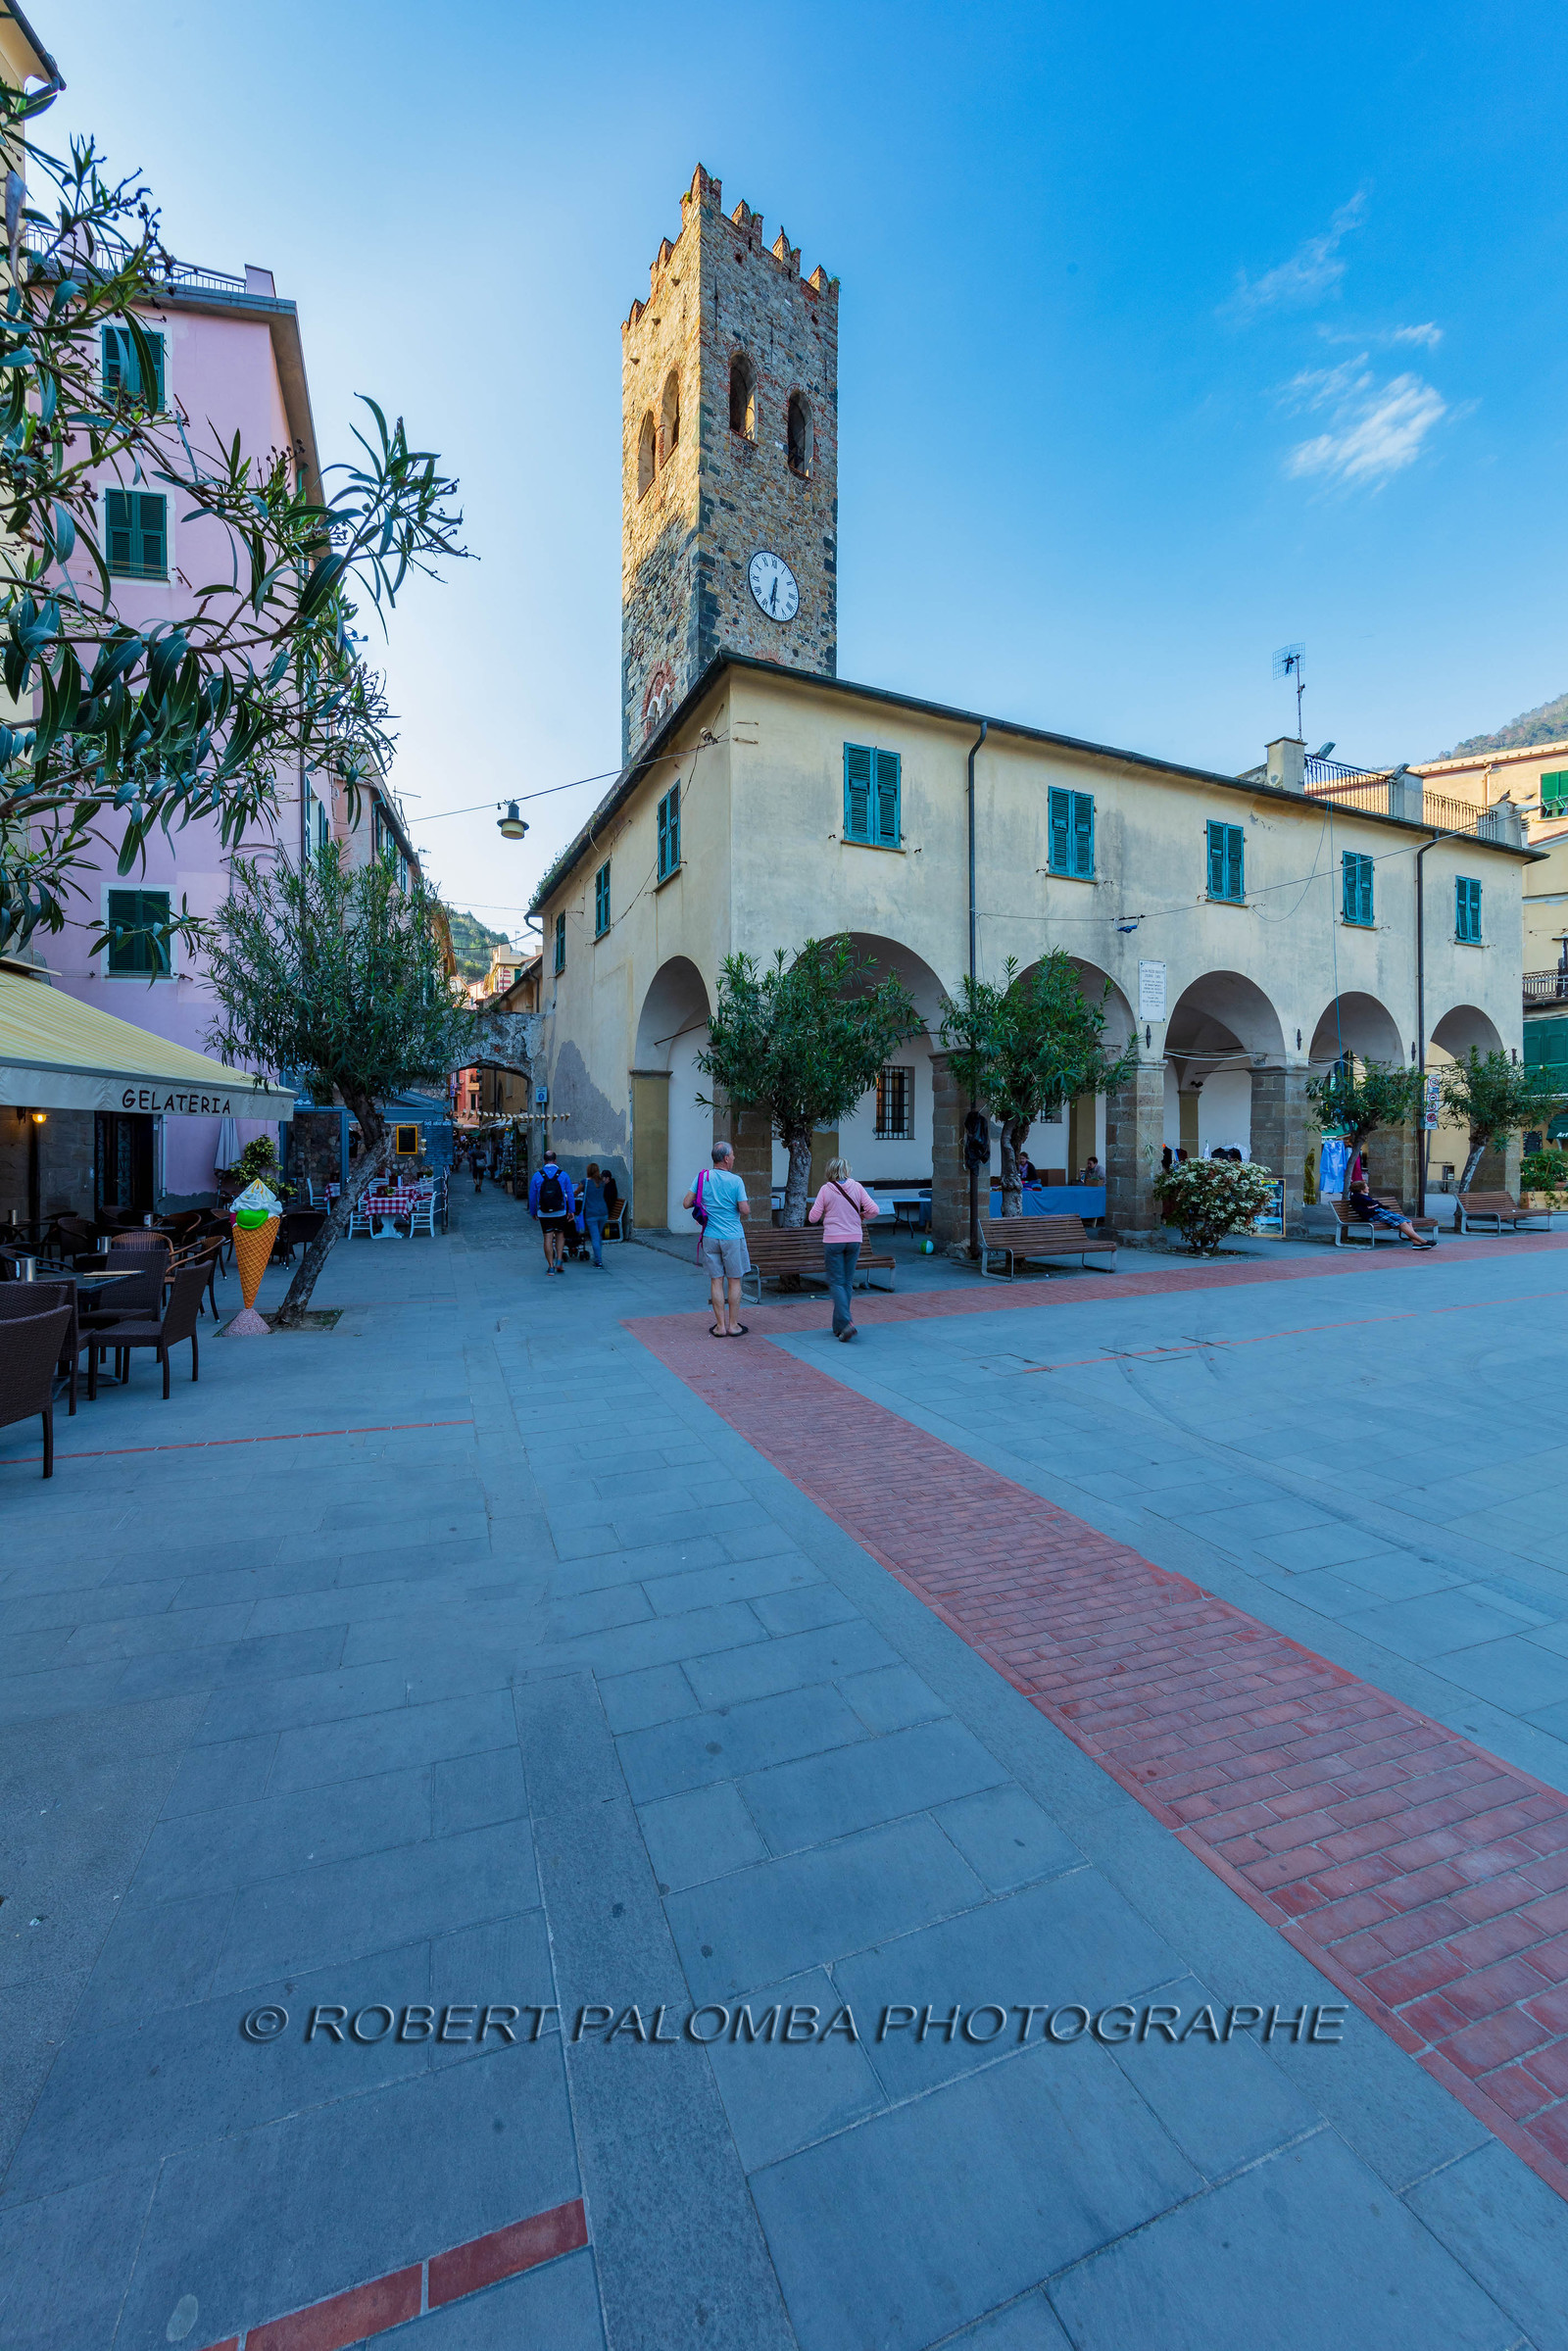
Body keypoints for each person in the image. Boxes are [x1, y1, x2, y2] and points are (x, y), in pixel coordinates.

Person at [808, 1154, 881, 1342]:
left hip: (833, 1241)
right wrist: (862, 1215)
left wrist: (826, 1210)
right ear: (846, 1170)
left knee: (836, 1283)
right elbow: (874, 1210)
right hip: (854, 1239)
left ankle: (846, 1323)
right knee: (847, 1282)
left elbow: (813, 1218)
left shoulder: (826, 1189)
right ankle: (839, 1326)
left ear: (830, 1172)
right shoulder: (857, 1187)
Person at [683, 1141, 751, 1336]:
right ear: (726, 1159)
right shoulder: (736, 1181)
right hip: (732, 1237)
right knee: (735, 1281)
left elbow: (687, 1203)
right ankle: (734, 1325)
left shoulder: (702, 1177)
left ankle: (720, 1327)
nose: (734, 1158)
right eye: (733, 1155)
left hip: (710, 1236)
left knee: (716, 1281)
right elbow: (744, 1209)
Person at [1348, 1176, 1436, 1248]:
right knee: (1402, 1222)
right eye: (1366, 1186)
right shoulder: (1357, 1197)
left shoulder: (1362, 1196)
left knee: (1408, 1221)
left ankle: (1416, 1243)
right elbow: (1371, 1204)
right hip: (1374, 1215)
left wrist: (1374, 1204)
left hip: (1379, 1212)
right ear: (1361, 1189)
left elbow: (1375, 1203)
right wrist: (1374, 1205)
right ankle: (1423, 1241)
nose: (1368, 1187)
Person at [528, 1151, 575, 1274]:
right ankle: (559, 1260)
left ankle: (550, 1266)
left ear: (544, 1161)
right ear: (555, 1160)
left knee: (547, 1238)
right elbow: (570, 1194)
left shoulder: (537, 1176)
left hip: (544, 1212)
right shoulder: (563, 1175)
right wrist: (571, 1210)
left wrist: (533, 1211)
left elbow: (532, 1196)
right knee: (560, 1235)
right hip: (560, 1211)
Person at [581, 1164, 608, 1267]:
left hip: (591, 1213)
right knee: (598, 1236)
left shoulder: (585, 1182)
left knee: (595, 1237)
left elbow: (575, 1193)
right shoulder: (602, 1183)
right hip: (603, 1212)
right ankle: (597, 1257)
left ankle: (598, 1261)